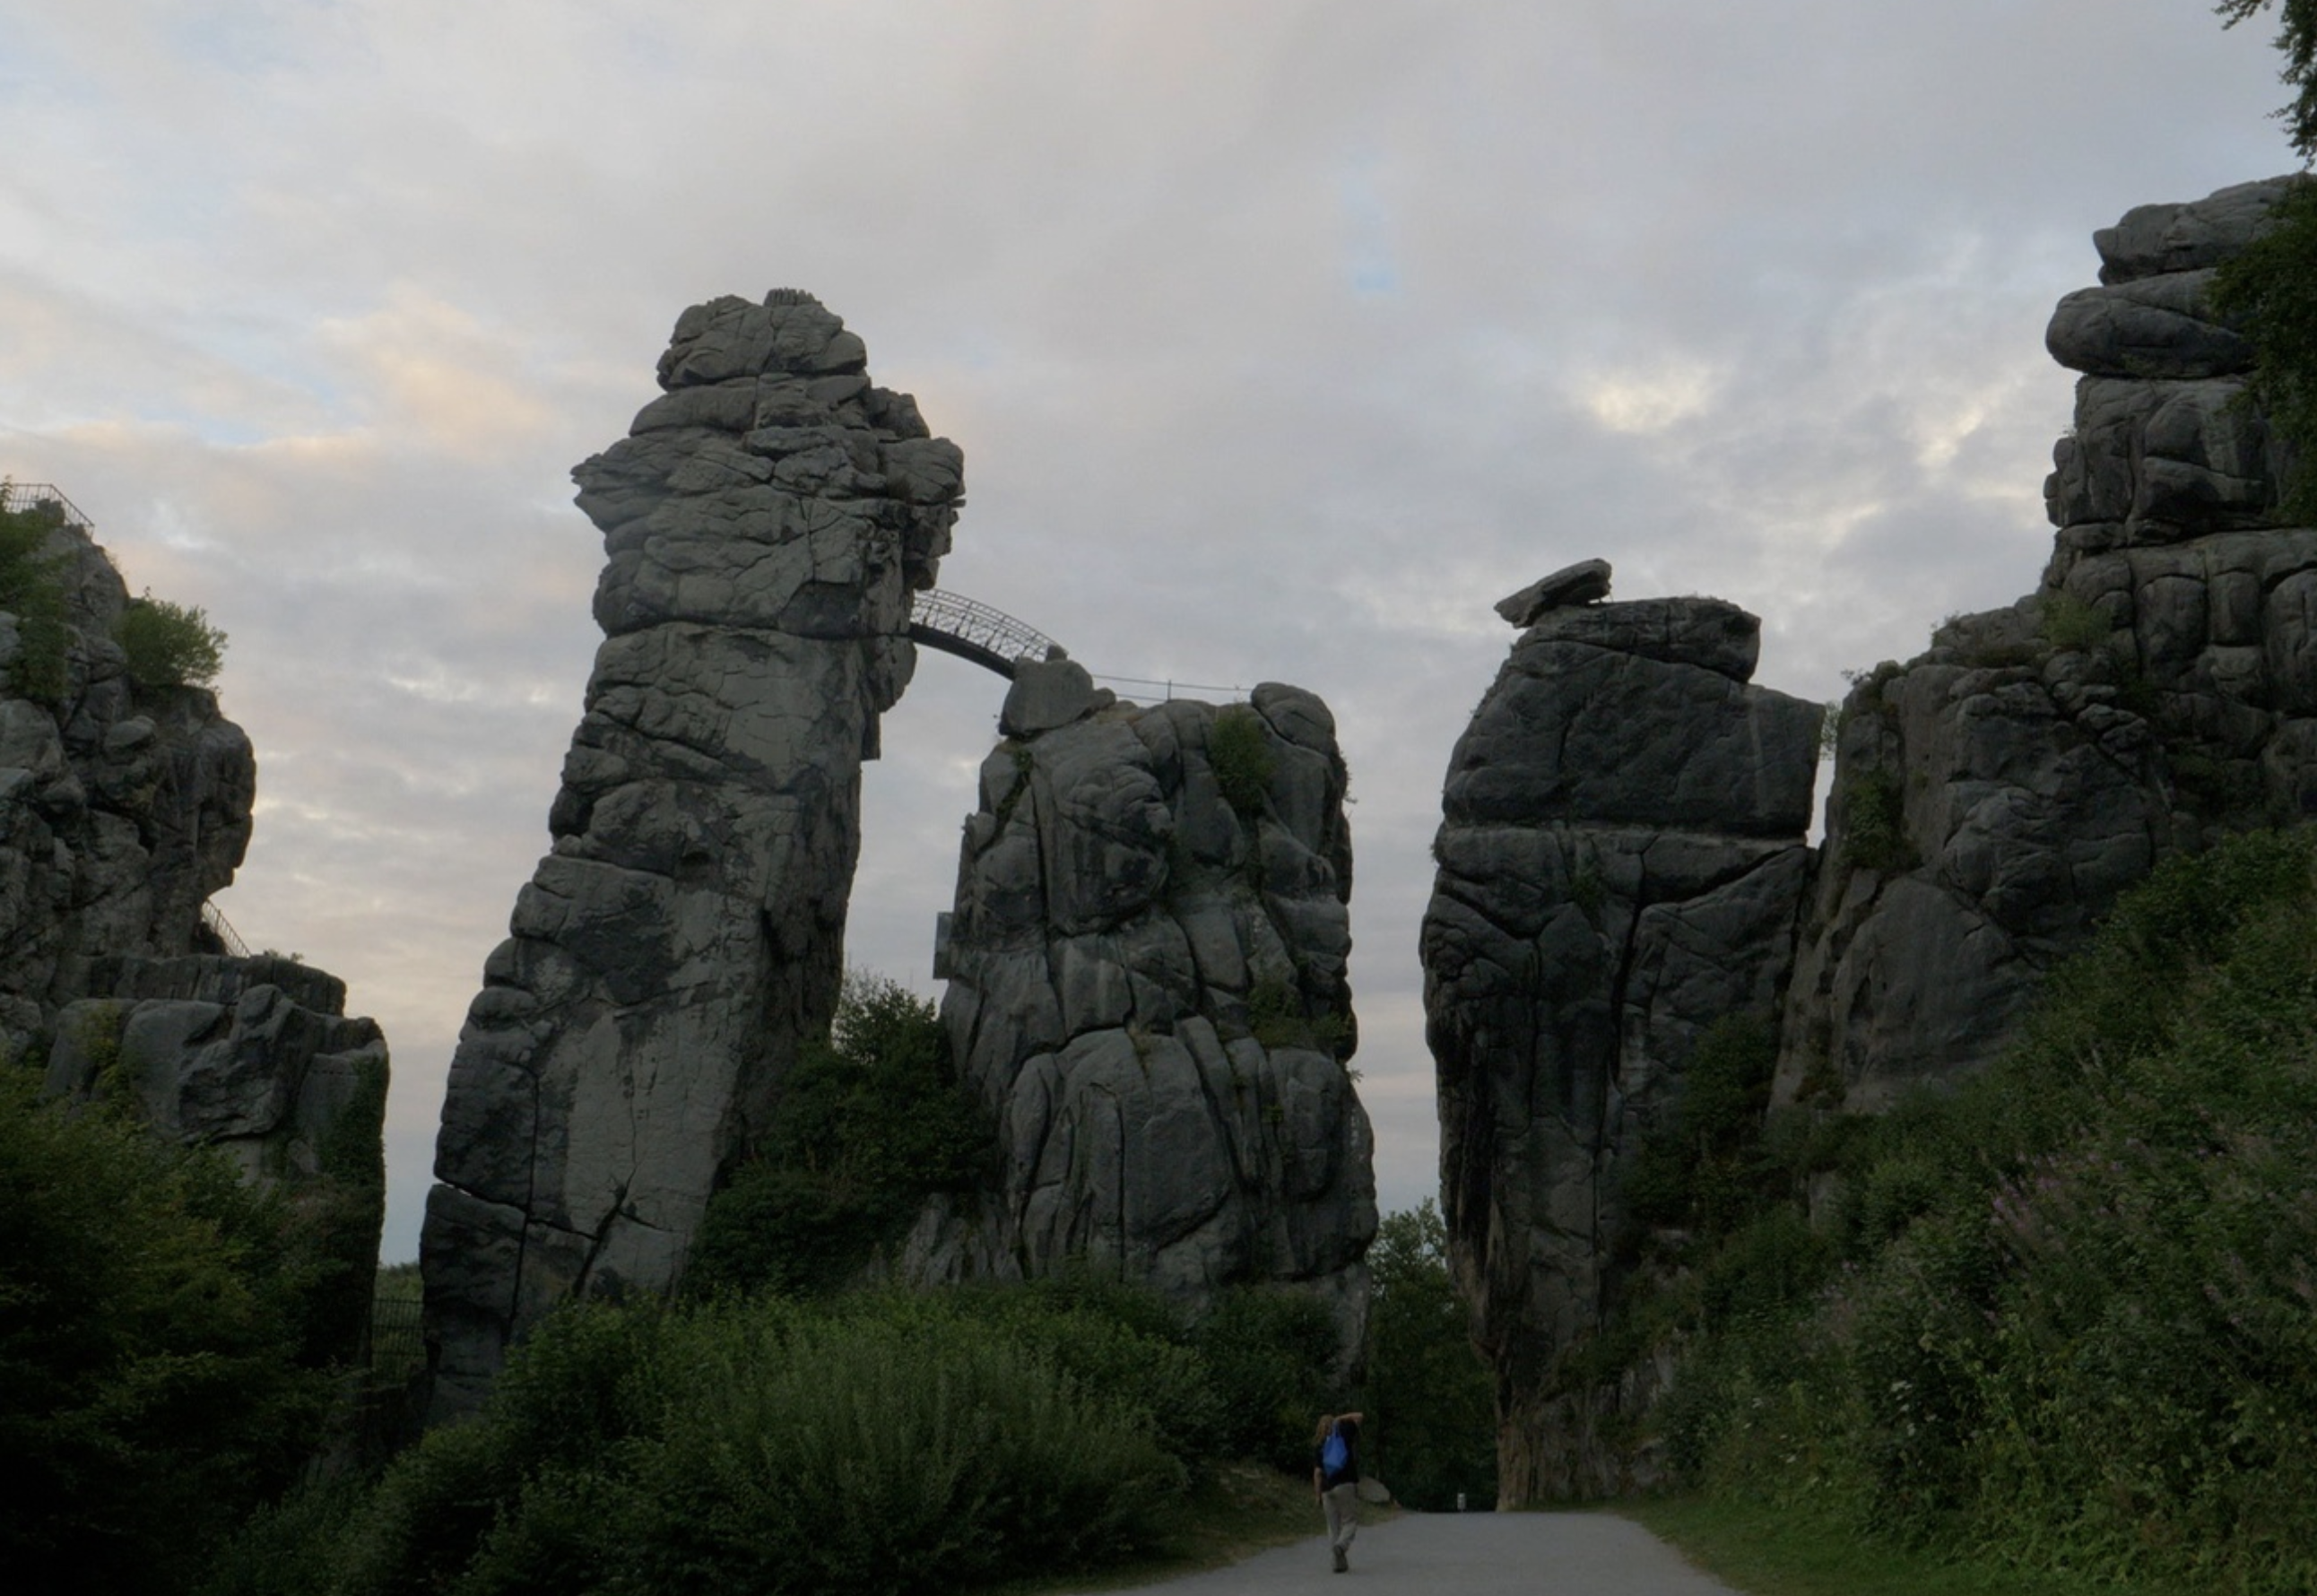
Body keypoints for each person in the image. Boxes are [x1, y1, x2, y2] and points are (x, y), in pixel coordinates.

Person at [1312, 1410, 1364, 1574]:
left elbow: (1317, 1473)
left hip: (1327, 1490)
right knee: (1350, 1521)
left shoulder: (1319, 1445)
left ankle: (1338, 1564)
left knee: (1333, 1527)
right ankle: (1341, 1546)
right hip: (1345, 1485)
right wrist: (1339, 1419)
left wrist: (1317, 1494)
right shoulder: (1343, 1433)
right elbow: (1359, 1416)